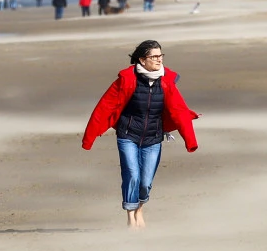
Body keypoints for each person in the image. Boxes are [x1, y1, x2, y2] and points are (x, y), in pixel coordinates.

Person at [82, 40, 199, 228]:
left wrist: (190, 141)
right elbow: (104, 107)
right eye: (155, 56)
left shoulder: (166, 82)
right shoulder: (127, 80)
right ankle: (131, 216)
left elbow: (179, 111)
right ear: (142, 60)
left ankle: (139, 209)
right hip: (128, 135)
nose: (159, 59)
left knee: (145, 182)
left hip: (153, 137)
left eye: (161, 55)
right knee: (132, 175)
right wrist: (89, 138)